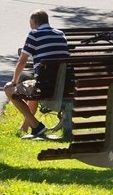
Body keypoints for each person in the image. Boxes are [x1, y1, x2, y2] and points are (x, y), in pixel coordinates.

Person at [4, 10, 71, 139]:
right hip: (63, 84)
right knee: (35, 88)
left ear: (34, 23)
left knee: (9, 89)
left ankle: (36, 125)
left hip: (45, 86)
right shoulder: (60, 34)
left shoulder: (34, 34)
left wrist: (14, 81)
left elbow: (22, 61)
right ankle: (24, 127)